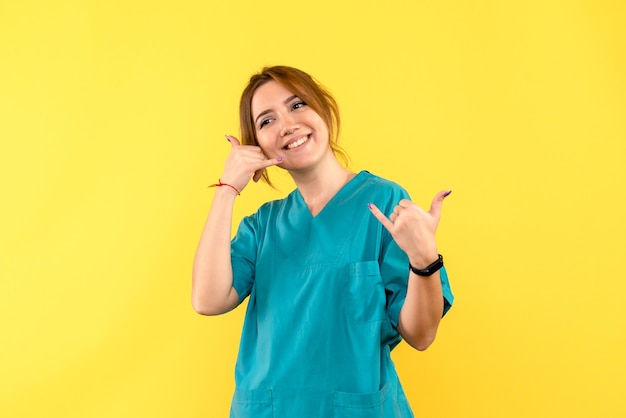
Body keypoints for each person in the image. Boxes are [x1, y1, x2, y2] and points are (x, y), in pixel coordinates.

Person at [192, 65, 454, 417]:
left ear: (324, 109)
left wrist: (424, 260)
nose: (287, 125)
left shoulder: (384, 204)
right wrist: (226, 191)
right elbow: (207, 300)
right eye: (266, 121)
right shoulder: (263, 226)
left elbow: (421, 336)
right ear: (256, 146)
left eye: (297, 105)